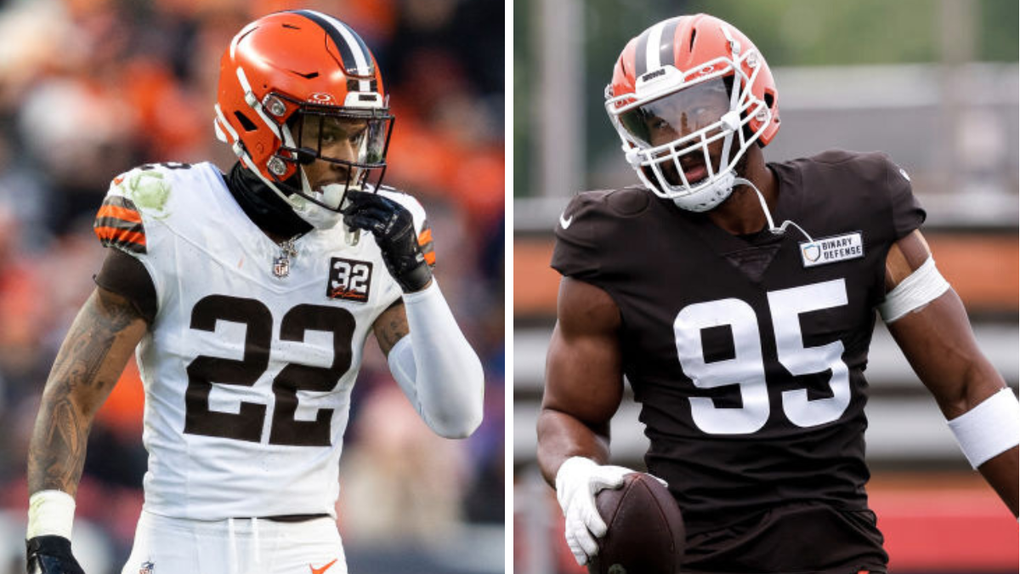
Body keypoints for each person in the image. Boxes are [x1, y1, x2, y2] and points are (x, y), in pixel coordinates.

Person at [537, 13, 1018, 574]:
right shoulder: (612, 244)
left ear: (751, 92)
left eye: (698, 104)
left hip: (837, 550)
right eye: (655, 122)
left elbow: (967, 387)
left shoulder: (857, 203)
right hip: (698, 558)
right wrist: (573, 470)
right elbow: (568, 411)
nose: (680, 134)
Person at [25, 10, 484, 574]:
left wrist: (418, 281)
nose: (349, 158)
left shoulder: (379, 237)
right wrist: (49, 534)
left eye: (358, 134)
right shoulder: (171, 213)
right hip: (179, 543)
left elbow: (458, 414)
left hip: (307, 549)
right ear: (259, 124)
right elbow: (72, 388)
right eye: (328, 133)